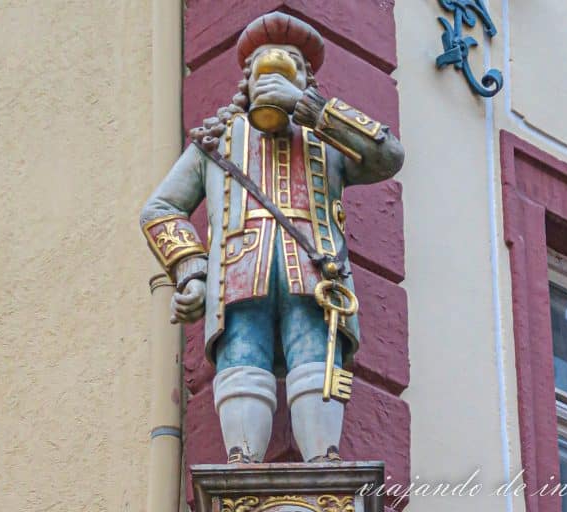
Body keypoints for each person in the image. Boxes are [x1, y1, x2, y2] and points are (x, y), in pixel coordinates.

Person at [140, 12, 404, 464]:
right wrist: (193, 274)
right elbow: (160, 210)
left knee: (316, 363)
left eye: (292, 69)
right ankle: (242, 460)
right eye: (263, 69)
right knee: (242, 360)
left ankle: (324, 459)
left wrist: (314, 111)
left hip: (316, 277)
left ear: (306, 81)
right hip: (241, 274)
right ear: (247, 82)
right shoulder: (217, 142)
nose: (275, 77)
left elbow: (389, 155)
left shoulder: (327, 140)